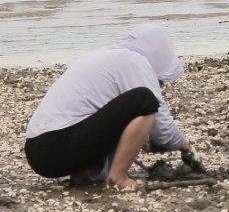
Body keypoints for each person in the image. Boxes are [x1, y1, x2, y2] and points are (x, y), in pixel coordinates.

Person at [23, 23, 190, 190]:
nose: (160, 85)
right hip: (56, 147)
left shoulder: (104, 57)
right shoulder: (134, 61)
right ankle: (118, 177)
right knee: (144, 100)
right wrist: (186, 147)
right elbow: (162, 128)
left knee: (120, 108)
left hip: (37, 149)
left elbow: (108, 120)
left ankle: (85, 173)